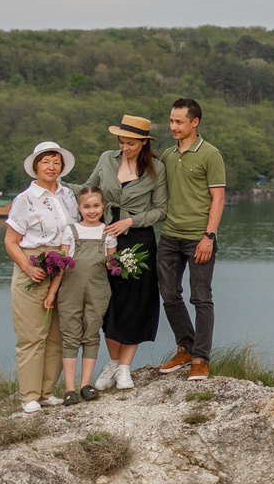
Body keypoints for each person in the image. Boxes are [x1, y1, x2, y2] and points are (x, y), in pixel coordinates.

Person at [91, 113, 167, 389]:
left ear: (144, 143)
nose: (125, 147)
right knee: (108, 300)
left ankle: (125, 368)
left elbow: (161, 210)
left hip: (138, 239)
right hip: (107, 236)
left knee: (136, 301)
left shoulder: (156, 168)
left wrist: (131, 221)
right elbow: (90, 191)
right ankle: (112, 363)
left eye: (131, 143)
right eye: (122, 142)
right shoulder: (106, 159)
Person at [2, 141, 77, 411]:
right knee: (32, 334)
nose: (51, 166)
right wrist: (27, 267)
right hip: (33, 264)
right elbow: (11, 241)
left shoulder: (68, 195)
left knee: (58, 332)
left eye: (56, 162)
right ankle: (30, 396)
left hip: (63, 265)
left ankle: (47, 391)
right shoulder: (25, 199)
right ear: (35, 166)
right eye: (45, 161)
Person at [155, 97, 227, 381]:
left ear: (194, 122)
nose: (173, 126)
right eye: (171, 121)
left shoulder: (211, 154)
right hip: (170, 236)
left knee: (201, 298)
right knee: (169, 296)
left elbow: (218, 199)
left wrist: (208, 236)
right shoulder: (168, 155)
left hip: (199, 237)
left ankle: (201, 358)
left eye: (179, 121)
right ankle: (184, 347)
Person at [47, 184, 113, 401]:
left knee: (91, 335)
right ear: (79, 207)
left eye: (96, 206)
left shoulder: (108, 233)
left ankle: (85, 384)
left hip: (99, 290)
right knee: (70, 337)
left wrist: (121, 264)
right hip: (69, 291)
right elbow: (62, 266)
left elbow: (112, 265)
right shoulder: (71, 230)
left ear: (103, 206)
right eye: (87, 206)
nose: (92, 211)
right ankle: (69, 389)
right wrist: (52, 293)